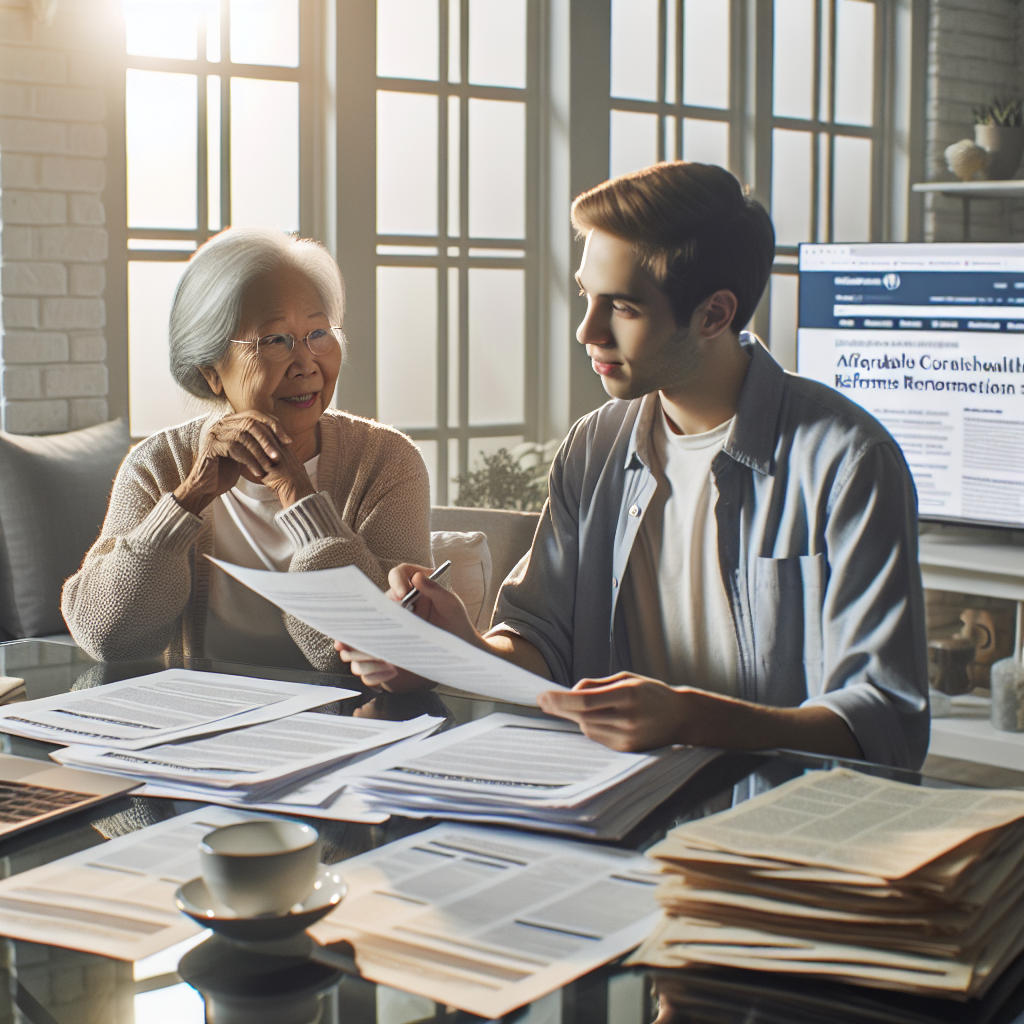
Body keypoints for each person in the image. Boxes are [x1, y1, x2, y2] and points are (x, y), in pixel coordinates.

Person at [338, 162, 929, 770]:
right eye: (586, 296)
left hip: (775, 833)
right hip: (604, 813)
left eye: (621, 306)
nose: (586, 329)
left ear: (713, 315)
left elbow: (885, 722)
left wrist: (694, 719)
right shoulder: (594, 446)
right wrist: (449, 649)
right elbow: (542, 644)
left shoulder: (848, 463)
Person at [63, 226, 430, 672]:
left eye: (318, 333)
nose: (306, 363)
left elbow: (376, 652)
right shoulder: (158, 465)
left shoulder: (385, 461)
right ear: (212, 372)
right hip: (196, 725)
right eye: (275, 340)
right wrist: (189, 498)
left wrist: (300, 498)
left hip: (345, 724)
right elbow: (108, 638)